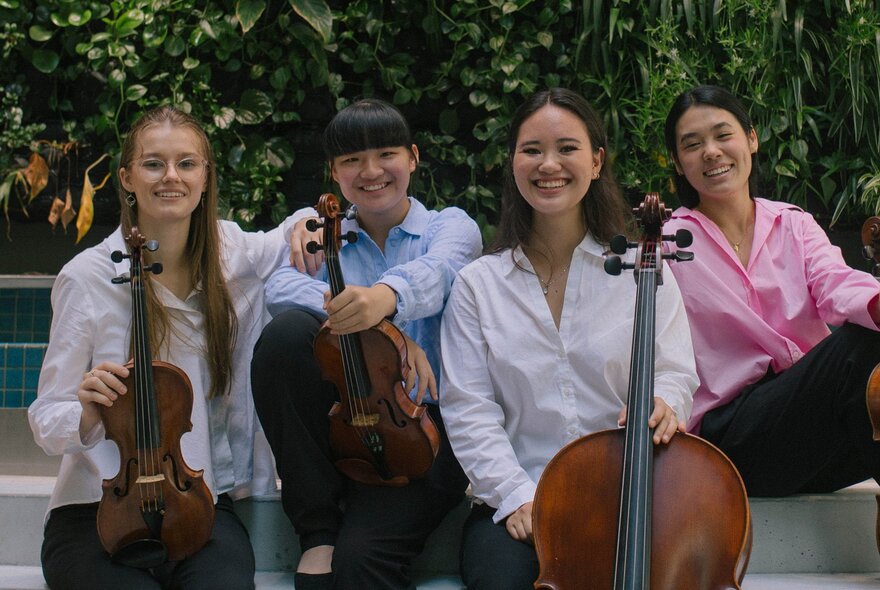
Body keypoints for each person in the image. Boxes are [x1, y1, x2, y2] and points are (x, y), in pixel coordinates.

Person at [28, 105, 305, 590]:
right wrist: (87, 413)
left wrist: (305, 222)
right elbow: (46, 417)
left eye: (187, 163)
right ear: (127, 178)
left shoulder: (231, 253)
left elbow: (298, 228)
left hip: (196, 503)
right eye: (154, 163)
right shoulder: (87, 277)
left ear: (205, 177)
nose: (171, 177)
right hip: (96, 510)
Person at [438, 87, 698, 590]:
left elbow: (674, 370)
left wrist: (665, 400)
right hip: (522, 498)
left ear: (596, 161)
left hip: (629, 493)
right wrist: (516, 496)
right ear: (513, 163)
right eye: (532, 150)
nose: (549, 164)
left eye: (567, 148)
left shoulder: (643, 269)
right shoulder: (477, 285)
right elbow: (469, 409)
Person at [249, 98, 482, 590]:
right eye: (352, 159)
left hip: (428, 433)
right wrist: (383, 333)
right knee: (285, 336)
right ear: (334, 172)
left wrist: (384, 303)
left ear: (413, 158)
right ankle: (317, 530)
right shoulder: (320, 234)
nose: (371, 171)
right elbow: (280, 288)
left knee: (360, 565)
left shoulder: (450, 226)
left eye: (386, 154)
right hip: (348, 422)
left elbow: (441, 271)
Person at [662, 85, 880, 499]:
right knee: (861, 346)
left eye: (723, 135)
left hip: (805, 430)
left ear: (751, 139)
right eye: (693, 144)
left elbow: (835, 282)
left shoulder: (793, 223)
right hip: (730, 441)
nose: (711, 152)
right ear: (677, 161)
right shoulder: (668, 244)